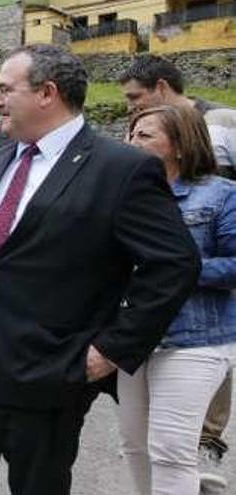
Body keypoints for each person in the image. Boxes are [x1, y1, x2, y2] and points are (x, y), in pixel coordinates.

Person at [0, 44, 200, 495]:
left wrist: (112, 349)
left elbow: (175, 264)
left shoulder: (121, 168)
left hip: (47, 376)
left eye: (4, 89)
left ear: (46, 93)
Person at [120, 53, 236, 488]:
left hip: (195, 339)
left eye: (144, 135)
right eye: (130, 133)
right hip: (135, 336)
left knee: (170, 451)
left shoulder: (221, 194)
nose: (131, 141)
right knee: (134, 446)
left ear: (180, 144)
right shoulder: (125, 199)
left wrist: (176, 271)